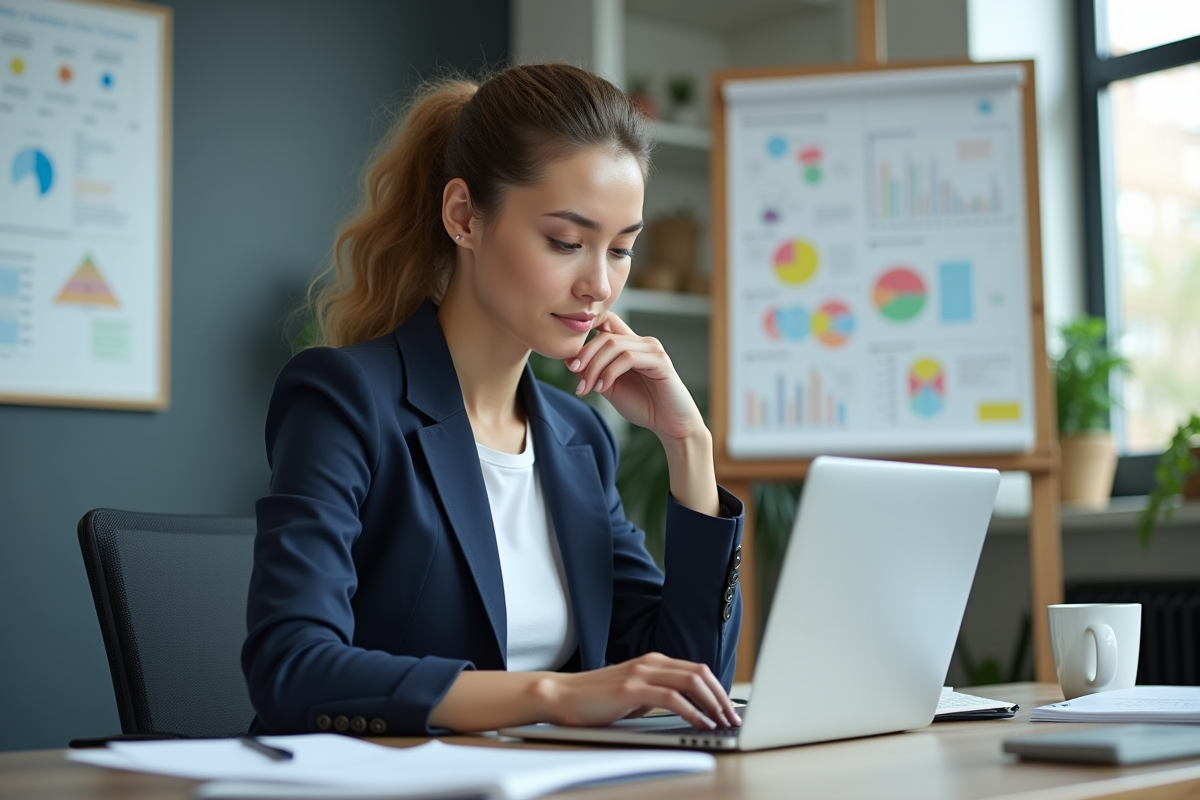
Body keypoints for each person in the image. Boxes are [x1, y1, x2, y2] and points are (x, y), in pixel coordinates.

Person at [242, 63, 745, 738]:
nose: (599, 284)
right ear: (464, 217)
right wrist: (551, 694)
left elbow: (686, 681)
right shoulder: (345, 400)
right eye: (566, 242)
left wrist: (690, 446)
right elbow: (292, 669)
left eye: (621, 249)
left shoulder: (577, 438)